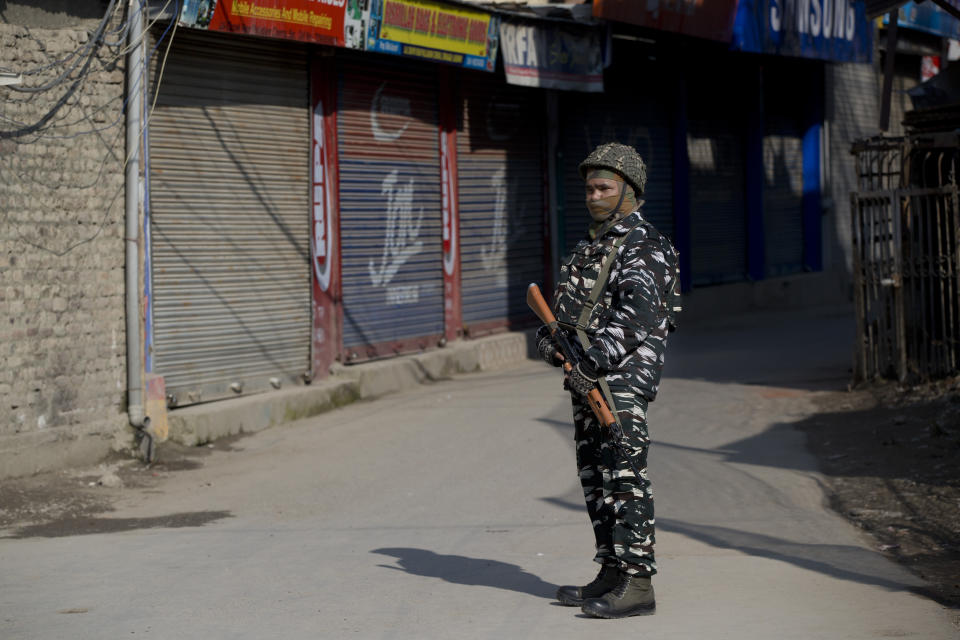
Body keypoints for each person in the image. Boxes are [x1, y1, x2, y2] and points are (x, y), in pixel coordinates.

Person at [536, 142, 680, 619]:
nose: (593, 196)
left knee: (624, 476)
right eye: (590, 188)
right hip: (587, 376)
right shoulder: (593, 245)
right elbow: (567, 313)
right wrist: (551, 342)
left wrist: (592, 363)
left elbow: (635, 319)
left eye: (605, 188)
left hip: (620, 378)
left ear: (630, 192)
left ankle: (638, 582)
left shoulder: (647, 245)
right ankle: (612, 571)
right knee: (595, 477)